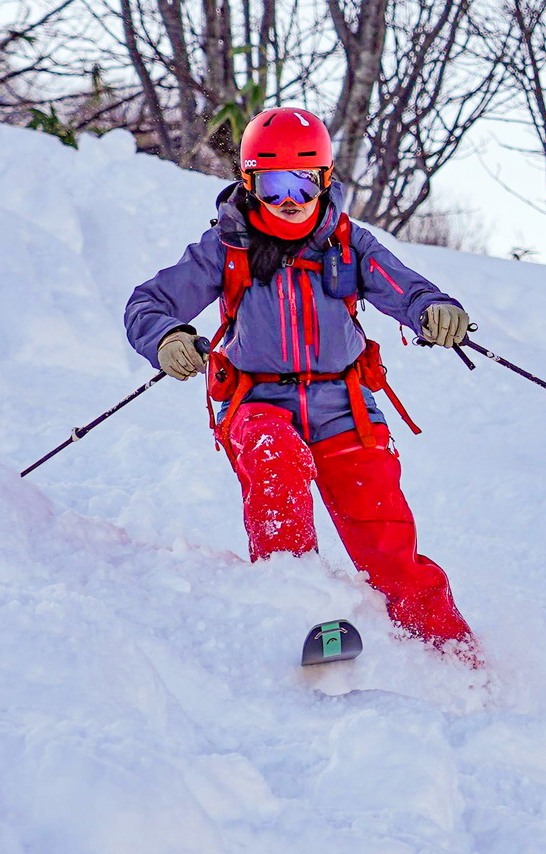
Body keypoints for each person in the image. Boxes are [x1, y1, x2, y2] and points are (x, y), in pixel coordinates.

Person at [124, 107, 476, 660]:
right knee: (276, 460)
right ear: (249, 183)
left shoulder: (347, 243)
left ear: (325, 181)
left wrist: (433, 310)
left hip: (344, 406)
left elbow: (403, 289)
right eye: (273, 185)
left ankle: (454, 658)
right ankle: (296, 615)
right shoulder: (226, 248)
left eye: (302, 183)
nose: (289, 201)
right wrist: (166, 338)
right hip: (257, 401)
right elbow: (150, 302)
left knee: (386, 545)